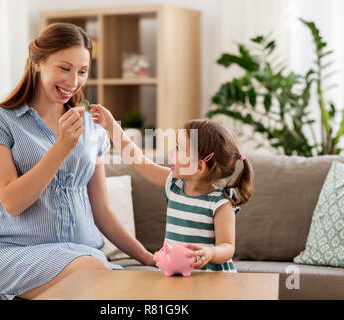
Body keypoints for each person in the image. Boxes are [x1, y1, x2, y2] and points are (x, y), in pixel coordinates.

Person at [0, 23, 154, 300]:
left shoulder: (91, 126)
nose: (74, 82)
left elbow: (101, 208)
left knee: (110, 280)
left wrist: (148, 258)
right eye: (64, 68)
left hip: (82, 253)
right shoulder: (0, 121)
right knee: (95, 276)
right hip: (12, 249)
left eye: (82, 72)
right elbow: (12, 202)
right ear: (37, 62)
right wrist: (61, 147)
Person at [91, 105, 254, 272]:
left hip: (213, 280)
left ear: (199, 166)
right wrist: (111, 126)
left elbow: (227, 246)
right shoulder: (174, 184)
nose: (170, 152)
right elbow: (136, 159)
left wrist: (211, 252)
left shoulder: (220, 204)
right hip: (179, 275)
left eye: (178, 148)